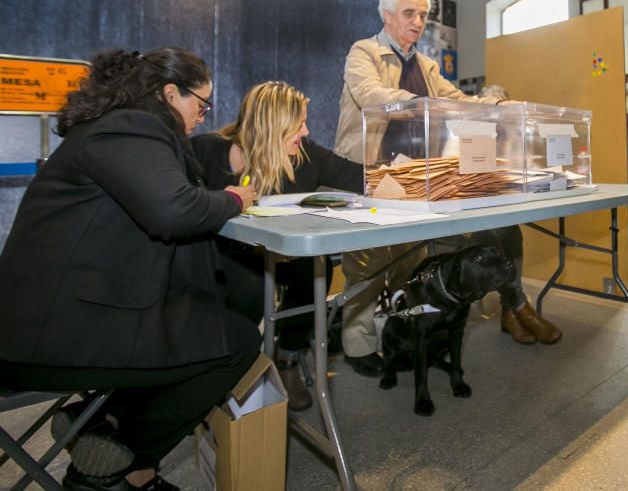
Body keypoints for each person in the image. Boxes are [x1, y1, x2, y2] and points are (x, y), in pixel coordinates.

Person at [0, 48, 260, 491]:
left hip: (60, 313)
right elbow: (176, 209)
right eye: (201, 103)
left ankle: (102, 427)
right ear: (170, 93)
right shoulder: (133, 127)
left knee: (204, 323)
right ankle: (116, 464)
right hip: (49, 333)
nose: (202, 115)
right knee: (235, 342)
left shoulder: (117, 126)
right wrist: (237, 198)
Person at [333, 0, 562, 376]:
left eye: (423, 15)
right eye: (409, 14)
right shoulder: (364, 52)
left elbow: (457, 100)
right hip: (370, 169)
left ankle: (404, 332)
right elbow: (369, 94)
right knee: (367, 262)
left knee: (408, 258)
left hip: (417, 174)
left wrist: (498, 106)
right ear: (387, 16)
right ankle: (358, 345)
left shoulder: (427, 66)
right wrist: (421, 104)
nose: (418, 22)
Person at [192, 80, 364, 411]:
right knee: (249, 286)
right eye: (299, 124)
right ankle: (225, 370)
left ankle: (288, 358)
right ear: (272, 127)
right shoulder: (204, 152)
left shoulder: (306, 154)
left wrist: (417, 175)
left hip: (284, 256)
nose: (306, 131)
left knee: (315, 268)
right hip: (225, 258)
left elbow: (361, 177)